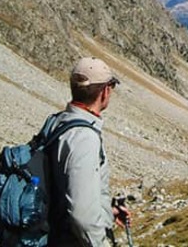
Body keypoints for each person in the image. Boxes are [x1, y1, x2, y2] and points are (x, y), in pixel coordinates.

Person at [47, 56, 130, 246]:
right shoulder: (84, 137)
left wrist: (107, 214)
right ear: (105, 91)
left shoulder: (58, 122)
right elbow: (82, 216)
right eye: (111, 87)